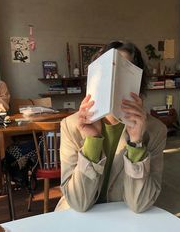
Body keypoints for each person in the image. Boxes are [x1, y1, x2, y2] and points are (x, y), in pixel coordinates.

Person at [55, 41, 167, 213]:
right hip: (77, 218)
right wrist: (92, 141)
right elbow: (77, 202)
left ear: (137, 81)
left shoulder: (155, 131)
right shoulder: (71, 125)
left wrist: (136, 143)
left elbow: (140, 203)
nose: (113, 82)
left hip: (123, 218)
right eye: (107, 72)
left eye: (123, 73)